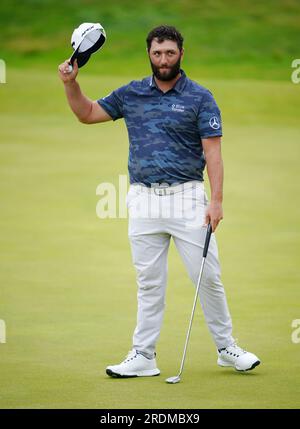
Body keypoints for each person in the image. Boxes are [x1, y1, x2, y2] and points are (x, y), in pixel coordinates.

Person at [58, 25, 260, 378]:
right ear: (149, 54)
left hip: (187, 200)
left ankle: (227, 348)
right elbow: (87, 113)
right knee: (149, 282)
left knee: (207, 276)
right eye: (157, 53)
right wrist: (71, 83)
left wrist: (216, 201)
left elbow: (213, 154)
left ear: (182, 53)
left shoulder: (200, 98)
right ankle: (143, 356)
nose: (163, 59)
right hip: (143, 200)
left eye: (169, 53)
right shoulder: (131, 94)